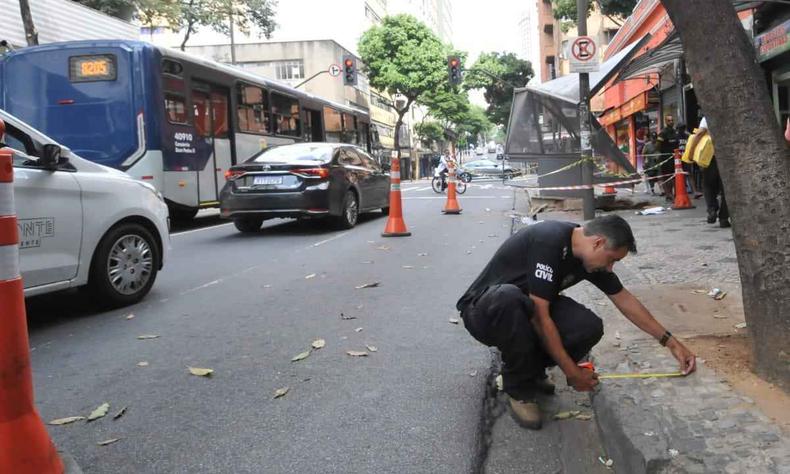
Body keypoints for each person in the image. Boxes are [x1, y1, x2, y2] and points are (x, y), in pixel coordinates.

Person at [457, 215, 696, 430]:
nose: (610, 267)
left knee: (587, 325)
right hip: (485, 312)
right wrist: (572, 372)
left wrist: (672, 343)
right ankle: (518, 389)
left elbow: (625, 300)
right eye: (612, 259)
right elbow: (541, 316)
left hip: (526, 311)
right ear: (598, 243)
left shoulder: (588, 257)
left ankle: (531, 370)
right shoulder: (549, 240)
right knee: (510, 298)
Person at [687, 117, 730, 227]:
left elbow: (699, 134)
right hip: (729, 158)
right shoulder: (731, 114)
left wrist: (690, 153)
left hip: (711, 157)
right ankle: (724, 218)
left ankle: (712, 210)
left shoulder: (708, 116)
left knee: (708, 185)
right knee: (727, 189)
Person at [657, 115, 679, 201]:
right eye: (669, 121)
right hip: (665, 158)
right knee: (666, 177)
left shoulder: (675, 132)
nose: (671, 122)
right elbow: (658, 145)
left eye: (672, 120)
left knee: (674, 177)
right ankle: (668, 194)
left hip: (675, 158)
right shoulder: (663, 132)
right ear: (666, 122)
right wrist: (661, 153)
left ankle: (673, 193)